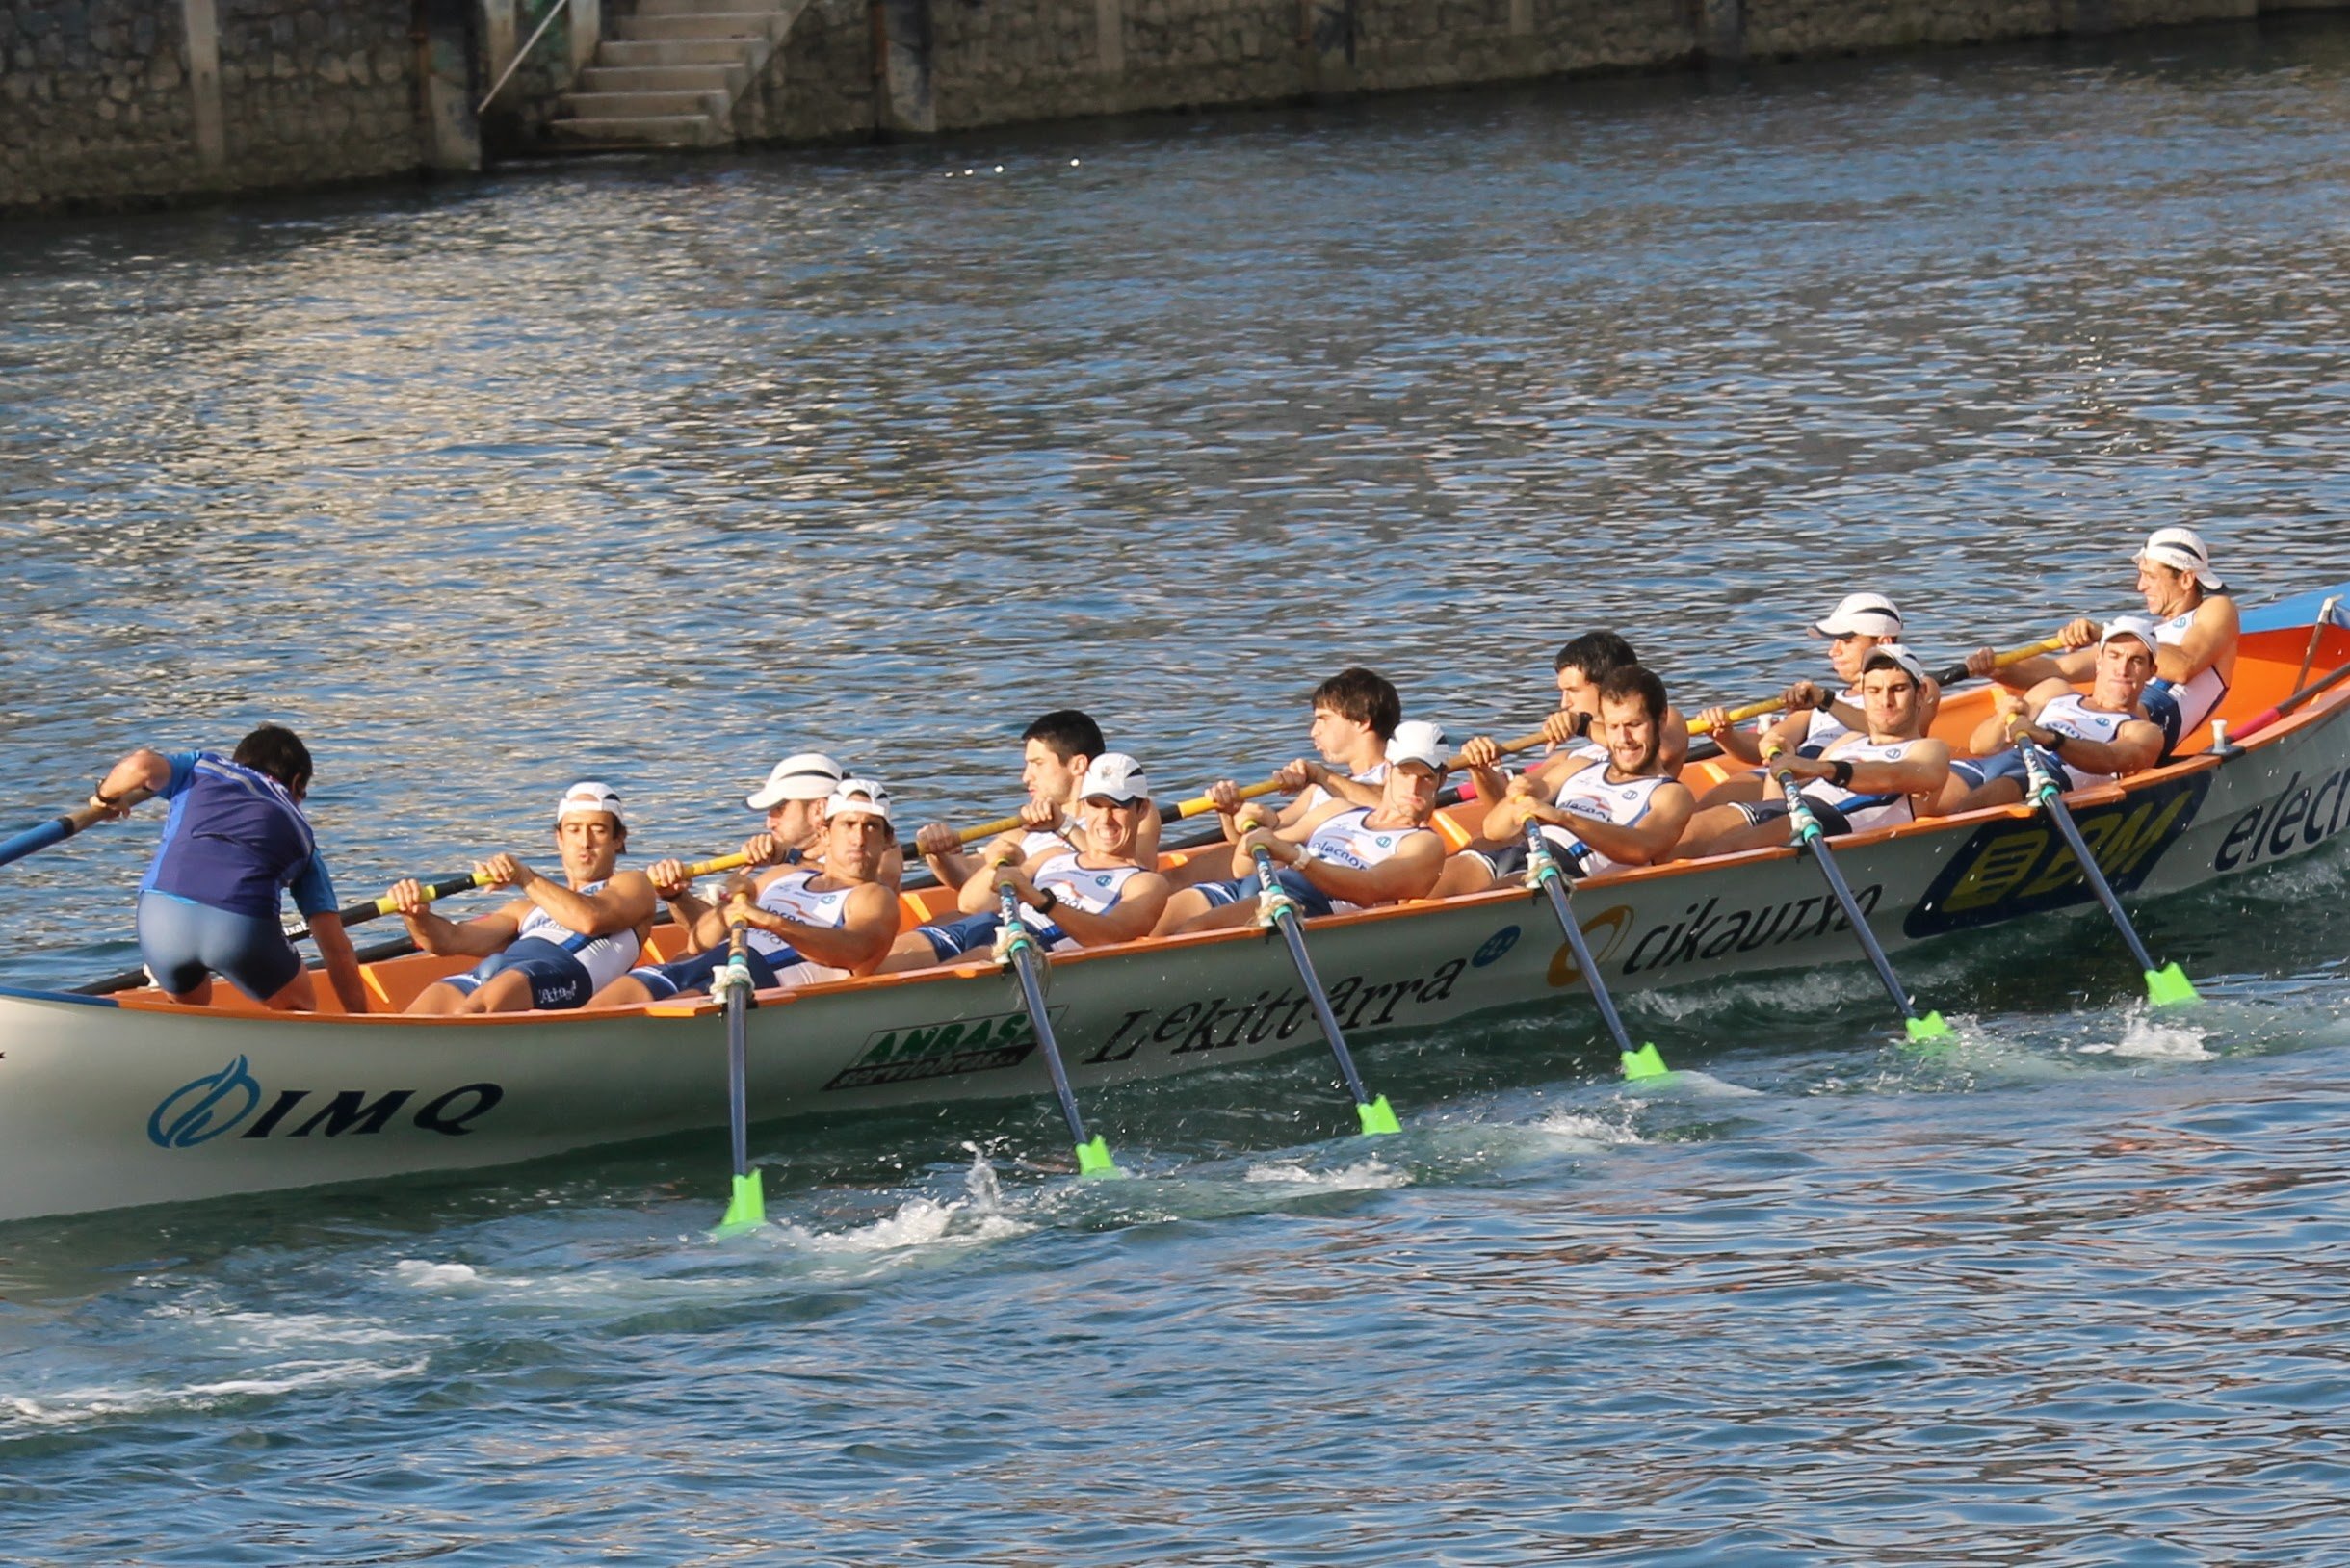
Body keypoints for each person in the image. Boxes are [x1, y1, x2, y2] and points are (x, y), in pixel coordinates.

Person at [90, 724, 368, 1013]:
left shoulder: (201, 767)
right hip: (239, 932)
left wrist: (105, 796)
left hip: (159, 921)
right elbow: (336, 950)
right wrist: (363, 1024)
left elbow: (139, 765)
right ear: (296, 784)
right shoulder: (304, 838)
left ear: (239, 761)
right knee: (301, 1004)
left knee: (192, 1008)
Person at [590, 779, 902, 1005]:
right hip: (711, 963)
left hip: (758, 984)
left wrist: (768, 920)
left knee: (661, 1011)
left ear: (888, 840)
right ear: (825, 832)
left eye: (871, 827)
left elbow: (855, 951)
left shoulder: (874, 897)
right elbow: (699, 941)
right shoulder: (782, 876)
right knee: (618, 997)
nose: (858, 839)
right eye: (848, 825)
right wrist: (723, 909)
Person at [1157, 721, 1451, 935]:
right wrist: (1237, 823)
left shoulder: (1423, 844)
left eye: (1426, 777)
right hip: (1260, 886)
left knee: (1194, 930)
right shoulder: (1339, 810)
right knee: (1158, 919)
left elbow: (1367, 890)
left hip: (1305, 905)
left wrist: (1295, 856)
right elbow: (1243, 865)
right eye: (1405, 773)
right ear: (1388, 770)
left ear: (1442, 781)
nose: (1413, 786)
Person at [392, 781, 658, 1014]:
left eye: (598, 830)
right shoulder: (525, 909)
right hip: (493, 971)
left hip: (558, 975)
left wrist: (524, 877)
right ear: (559, 839)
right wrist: (416, 915)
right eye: (574, 830)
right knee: (431, 1001)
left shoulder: (633, 884)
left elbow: (590, 919)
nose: (585, 842)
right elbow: (448, 940)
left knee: (484, 1002)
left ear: (618, 839)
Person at [1965, 527, 2238, 751]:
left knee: (2058, 697)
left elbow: (2184, 666)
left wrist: (2105, 635)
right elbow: (2057, 668)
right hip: (2107, 716)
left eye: (2150, 576)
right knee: (2052, 686)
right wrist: (1995, 667)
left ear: (2187, 579)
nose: (2140, 586)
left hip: (2142, 731)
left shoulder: (2216, 609)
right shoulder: (2142, 635)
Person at [886, 754, 1171, 967]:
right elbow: (970, 904)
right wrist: (997, 863)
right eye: (1096, 805)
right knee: (886, 962)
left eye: (1118, 807)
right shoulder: (1054, 855)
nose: (1105, 819)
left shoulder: (1145, 883)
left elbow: (1113, 936)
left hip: (1027, 947)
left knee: (965, 965)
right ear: (1084, 805)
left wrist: (1038, 898)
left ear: (1142, 809)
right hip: (979, 926)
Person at [1671, 645, 1952, 859]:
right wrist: (1780, 763)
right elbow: (1778, 795)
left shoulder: (1929, 749)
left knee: (1728, 847)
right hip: (1790, 812)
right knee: (1685, 835)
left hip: (1835, 826)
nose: (1885, 701)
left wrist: (1826, 769)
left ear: (1919, 694)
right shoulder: (1848, 741)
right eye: (1875, 691)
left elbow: (1894, 777)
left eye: (1898, 689)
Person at [1694, 592, 1941, 807]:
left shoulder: (1919, 688)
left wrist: (1826, 700)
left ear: (1883, 642)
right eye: (1834, 642)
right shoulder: (1820, 703)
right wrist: (1725, 735)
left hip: (1846, 782)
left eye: (1846, 641)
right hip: (1791, 774)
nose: (1833, 651)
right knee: (1711, 803)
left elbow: (1894, 729)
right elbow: (1763, 748)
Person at [1168, 666, 1400, 889]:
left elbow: (1389, 806)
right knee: (1175, 879)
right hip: (1270, 870)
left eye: (1324, 719)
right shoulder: (1317, 791)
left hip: (1320, 882)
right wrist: (1229, 812)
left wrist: (1321, 775)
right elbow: (1253, 840)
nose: (1314, 731)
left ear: (1361, 721)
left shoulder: (1402, 774)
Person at [1465, 666, 1696, 883]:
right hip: (1521, 855)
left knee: (1507, 885)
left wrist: (1562, 818)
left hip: (1566, 871)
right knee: (1454, 871)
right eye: (1613, 727)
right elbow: (1494, 829)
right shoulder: (1580, 765)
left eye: (1634, 725)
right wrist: (1514, 796)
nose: (1623, 739)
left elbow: (1641, 848)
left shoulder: (1670, 794)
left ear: (1661, 720)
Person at [904, 709, 1162, 892]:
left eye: (1037, 764)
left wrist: (1063, 826)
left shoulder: (1130, 813)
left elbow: (1137, 869)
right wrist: (939, 854)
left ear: (1077, 765)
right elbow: (967, 878)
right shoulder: (1026, 828)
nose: (1026, 777)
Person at [1941, 618, 2169, 813]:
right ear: (2098, 662)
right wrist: (2002, 718)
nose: (2122, 669)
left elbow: (2109, 759)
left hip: (2045, 778)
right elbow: (1980, 746)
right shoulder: (2055, 689)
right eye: (2115, 656)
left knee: (1994, 793)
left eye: (2136, 661)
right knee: (1926, 792)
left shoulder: (2143, 731)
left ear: (2152, 672)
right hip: (1993, 763)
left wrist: (2049, 738)